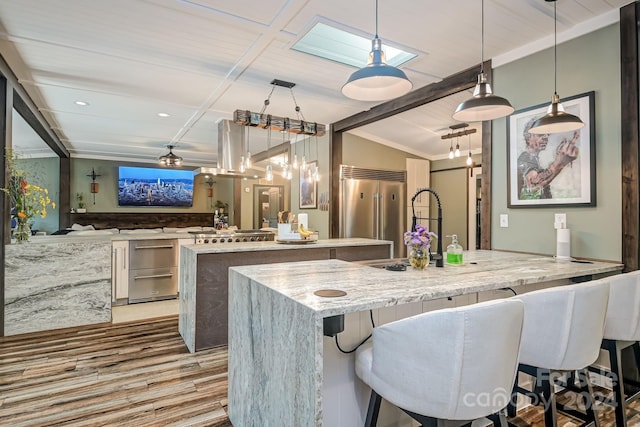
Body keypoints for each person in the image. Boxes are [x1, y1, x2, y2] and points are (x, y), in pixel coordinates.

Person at [517, 117, 579, 199]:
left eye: (547, 134)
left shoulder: (534, 159)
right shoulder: (525, 159)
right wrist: (560, 162)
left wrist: (559, 158)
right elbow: (534, 183)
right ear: (528, 137)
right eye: (540, 134)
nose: (546, 137)